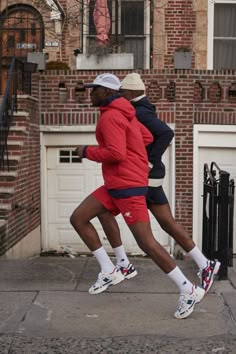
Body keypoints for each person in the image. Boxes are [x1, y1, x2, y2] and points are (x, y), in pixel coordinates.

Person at [70, 73, 205, 320]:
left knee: (148, 243)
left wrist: (86, 151)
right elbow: (146, 138)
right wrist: (137, 160)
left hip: (128, 187)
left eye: (95, 89)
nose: (91, 94)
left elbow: (116, 153)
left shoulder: (111, 116)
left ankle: (188, 289)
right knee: (79, 217)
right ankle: (111, 268)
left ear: (108, 93)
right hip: (118, 183)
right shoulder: (125, 112)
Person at [98, 73, 221, 296]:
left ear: (133, 93)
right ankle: (205, 264)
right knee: (167, 223)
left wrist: (149, 160)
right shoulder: (138, 108)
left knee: (113, 216)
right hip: (146, 177)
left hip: (144, 177)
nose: (120, 95)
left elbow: (166, 132)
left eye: (123, 92)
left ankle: (124, 265)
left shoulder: (139, 111)